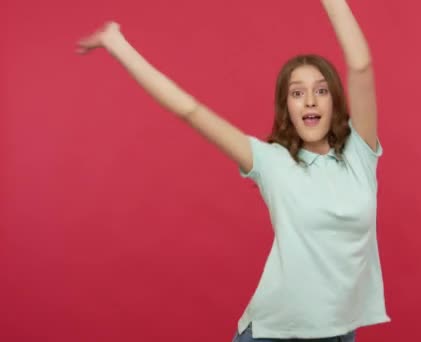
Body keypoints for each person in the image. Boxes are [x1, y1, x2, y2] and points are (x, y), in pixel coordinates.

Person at [76, 0, 390, 341]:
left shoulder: (360, 155)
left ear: (334, 102)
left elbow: (361, 66)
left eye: (321, 91)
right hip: (274, 334)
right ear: (287, 107)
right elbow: (190, 110)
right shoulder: (272, 162)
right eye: (297, 93)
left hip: (340, 333)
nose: (310, 101)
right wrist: (117, 43)